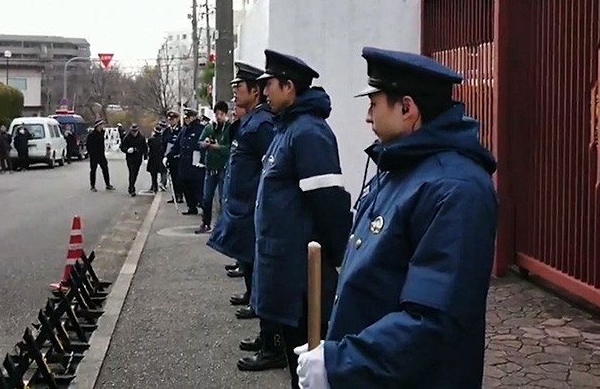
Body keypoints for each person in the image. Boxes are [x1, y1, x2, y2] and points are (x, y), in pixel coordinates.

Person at [292, 47, 499, 389]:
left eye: (374, 103)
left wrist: (340, 363)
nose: (368, 117)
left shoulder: (456, 189)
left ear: (407, 108)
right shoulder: (402, 166)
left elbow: (432, 319)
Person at [252, 49, 352, 389]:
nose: (264, 92)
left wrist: (334, 259)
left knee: (310, 364)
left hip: (302, 278)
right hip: (284, 270)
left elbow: (329, 204)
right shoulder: (287, 129)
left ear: (289, 87)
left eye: (270, 85)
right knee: (297, 366)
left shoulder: (309, 133)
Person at [207, 62, 281, 372]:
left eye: (240, 87)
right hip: (243, 209)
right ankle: (265, 336)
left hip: (254, 210)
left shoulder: (262, 123)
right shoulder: (250, 121)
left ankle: (272, 344)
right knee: (253, 271)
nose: (235, 92)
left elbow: (270, 169)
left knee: (264, 277)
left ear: (256, 91)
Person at [196, 101, 232, 234]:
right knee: (207, 197)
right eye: (216, 114)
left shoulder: (230, 128)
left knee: (223, 198)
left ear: (225, 114)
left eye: (221, 114)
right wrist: (204, 143)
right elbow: (199, 142)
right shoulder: (210, 128)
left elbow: (231, 149)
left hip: (223, 167)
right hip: (210, 167)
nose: (218, 117)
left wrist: (218, 147)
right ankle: (205, 223)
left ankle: (222, 225)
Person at [177, 108, 206, 216]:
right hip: (185, 163)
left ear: (194, 117)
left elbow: (203, 145)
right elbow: (177, 144)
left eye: (188, 118)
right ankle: (191, 207)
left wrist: (202, 159)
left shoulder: (200, 129)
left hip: (196, 163)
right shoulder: (184, 130)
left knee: (198, 187)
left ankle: (204, 207)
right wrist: (168, 155)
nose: (187, 120)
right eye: (186, 118)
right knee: (186, 186)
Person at [120, 123, 148, 196]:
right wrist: (127, 150)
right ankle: (132, 188)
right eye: (133, 131)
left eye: (135, 131)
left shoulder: (141, 138)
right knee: (132, 172)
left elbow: (145, 148)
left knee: (135, 173)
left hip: (138, 158)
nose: (134, 133)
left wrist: (145, 157)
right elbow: (122, 147)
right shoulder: (127, 137)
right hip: (130, 158)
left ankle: (132, 185)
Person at [162, 110, 183, 204]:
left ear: (177, 120)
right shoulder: (167, 131)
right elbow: (163, 143)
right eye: (170, 119)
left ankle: (179, 195)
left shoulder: (180, 130)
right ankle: (174, 195)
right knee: (172, 177)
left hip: (178, 157)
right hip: (169, 156)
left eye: (173, 119)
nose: (171, 121)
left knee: (178, 177)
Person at [87, 120, 114, 191]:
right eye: (101, 125)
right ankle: (92, 186)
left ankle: (108, 184)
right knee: (93, 170)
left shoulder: (101, 134)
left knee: (105, 169)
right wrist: (91, 154)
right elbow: (88, 146)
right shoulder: (92, 135)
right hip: (94, 155)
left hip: (101, 155)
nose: (103, 126)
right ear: (97, 126)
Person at [146, 125, 165, 193]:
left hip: (152, 159)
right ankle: (162, 183)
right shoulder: (162, 140)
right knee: (163, 172)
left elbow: (148, 149)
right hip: (161, 158)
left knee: (153, 175)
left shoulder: (151, 140)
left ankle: (154, 187)